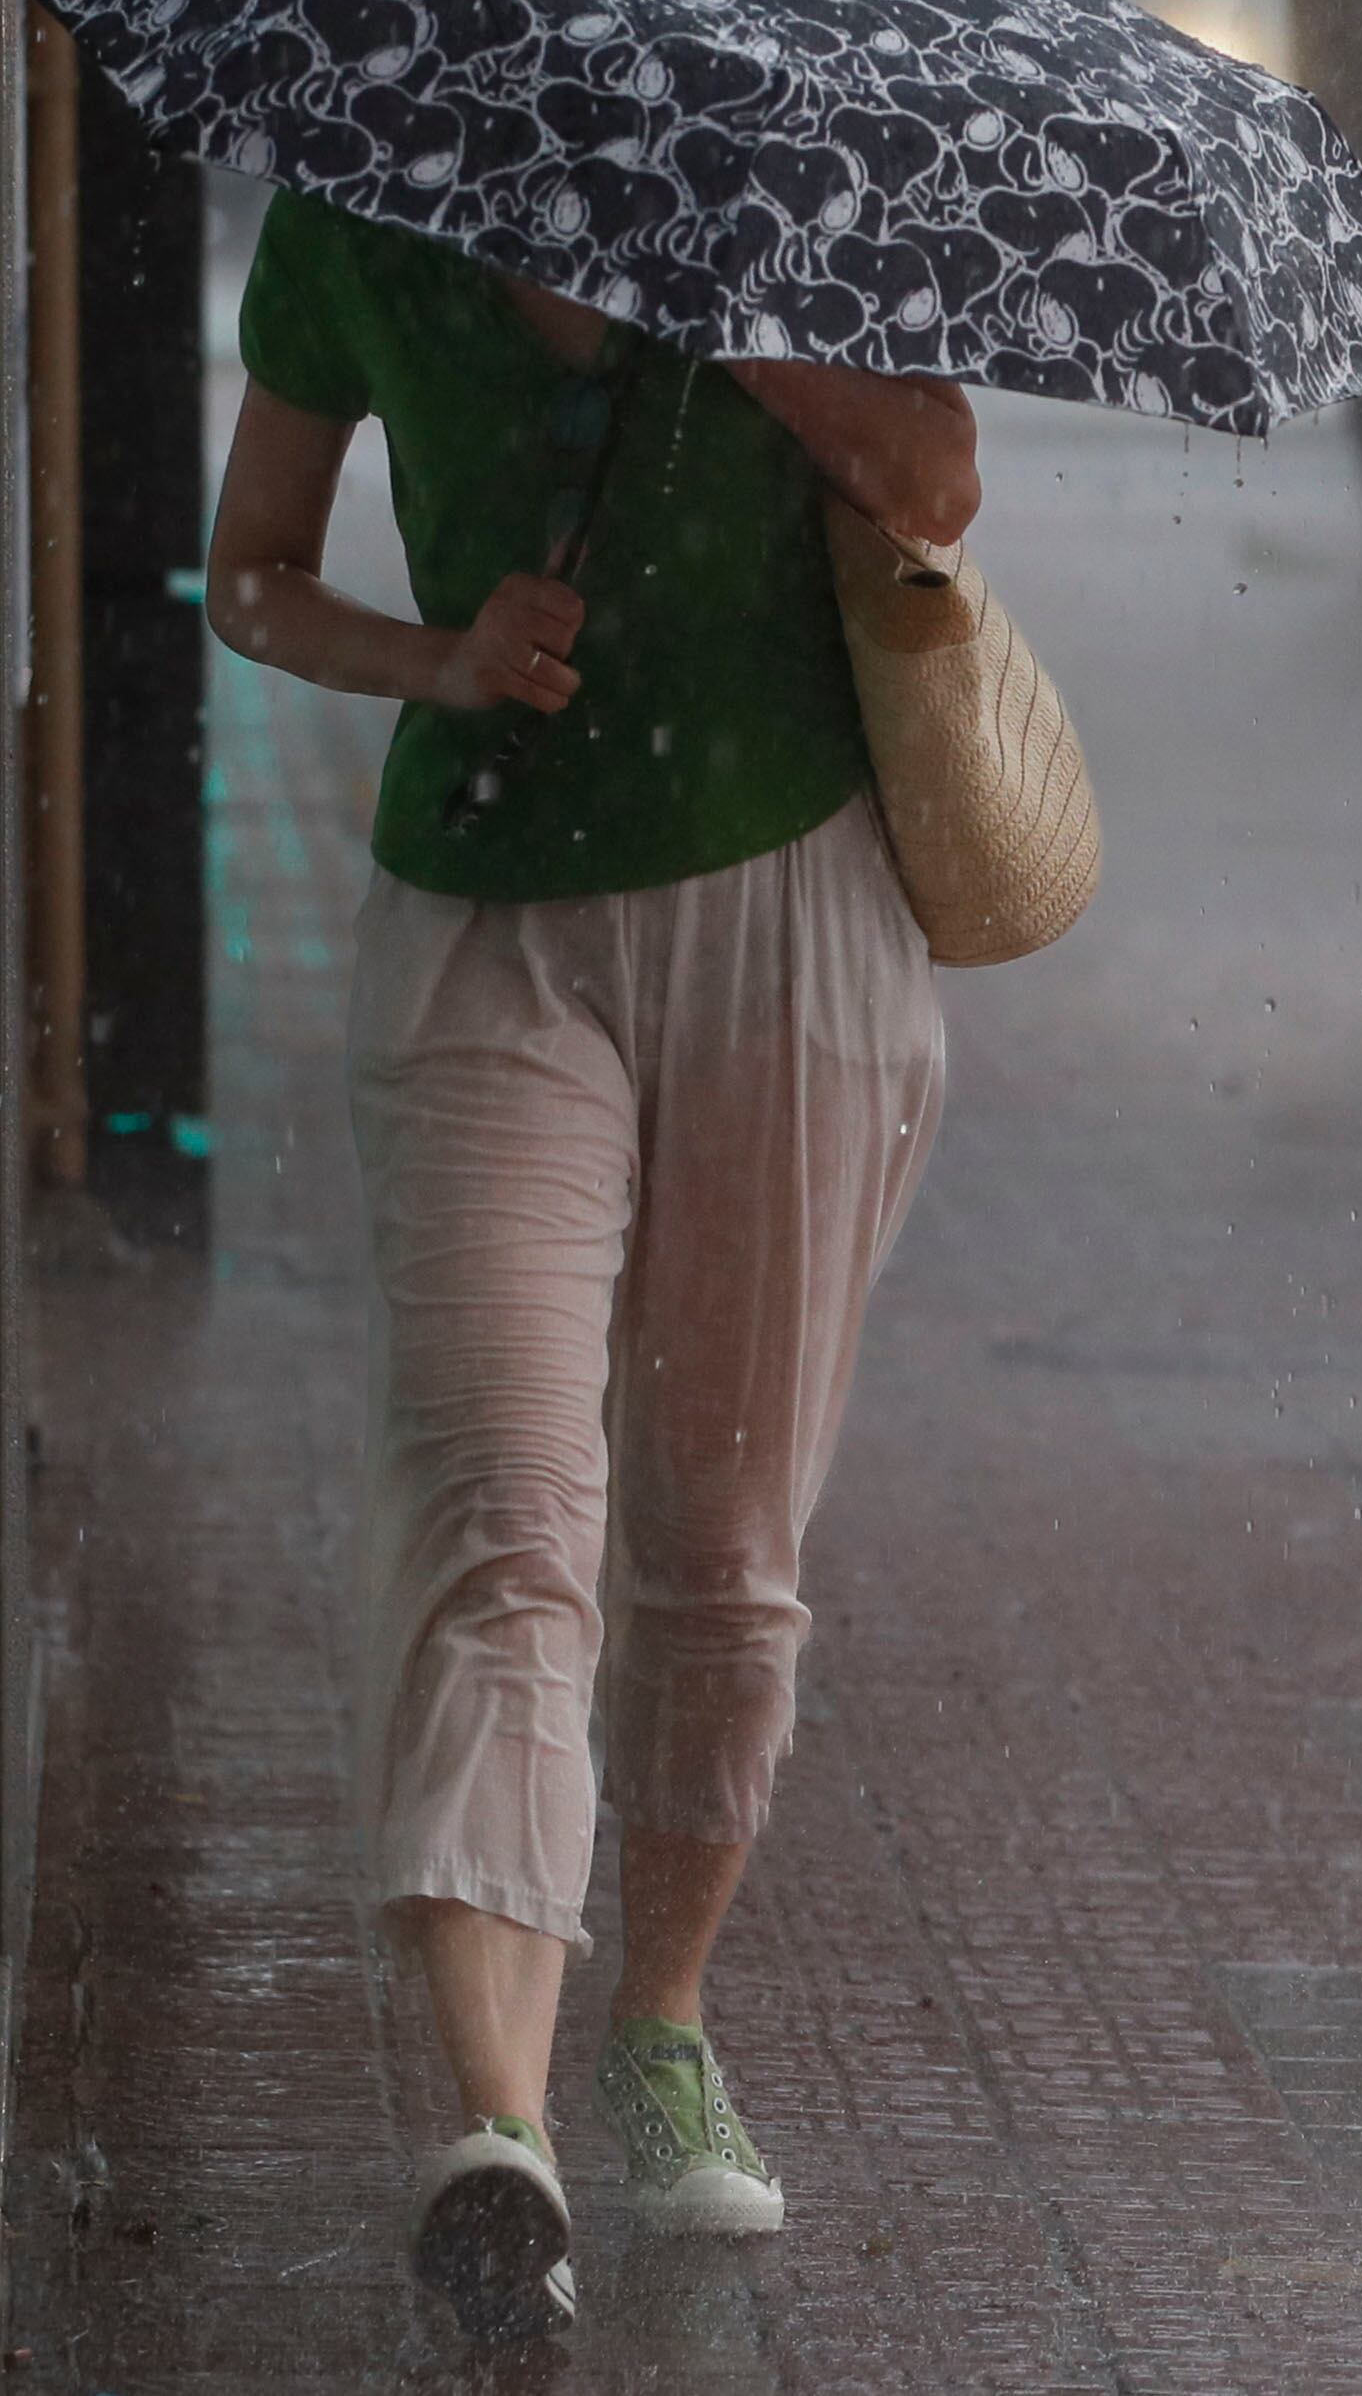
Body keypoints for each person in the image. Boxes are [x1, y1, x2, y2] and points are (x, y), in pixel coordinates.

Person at [202, 185, 981, 2342]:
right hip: (487, 931)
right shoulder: (359, 225)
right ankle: (498, 2126)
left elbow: (935, 480)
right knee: (503, 1504)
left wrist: (720, 298)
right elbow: (247, 573)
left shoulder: (803, 196)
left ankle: (657, 2015)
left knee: (725, 1546)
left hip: (796, 913)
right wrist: (430, 656)